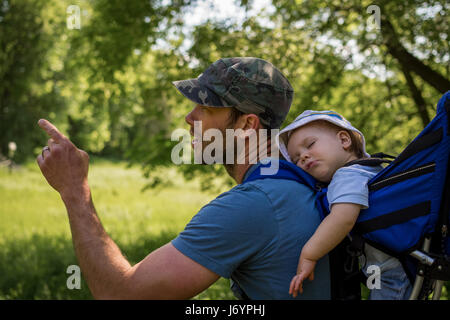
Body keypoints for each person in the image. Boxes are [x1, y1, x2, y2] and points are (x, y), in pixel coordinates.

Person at [36, 57, 331, 299]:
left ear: (246, 124)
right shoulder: (297, 183)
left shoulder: (255, 205)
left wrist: (75, 190)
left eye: (205, 107)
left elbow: (120, 295)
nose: (190, 118)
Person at [276, 110, 412, 300]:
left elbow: (342, 219)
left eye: (310, 144)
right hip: (403, 262)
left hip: (391, 274)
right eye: (297, 159)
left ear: (344, 140)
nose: (304, 157)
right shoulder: (373, 168)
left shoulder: (347, 175)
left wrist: (309, 255)